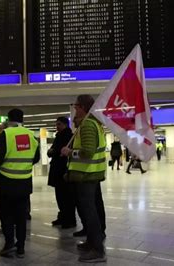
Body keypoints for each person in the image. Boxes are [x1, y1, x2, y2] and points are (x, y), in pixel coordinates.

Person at [61, 95, 107, 263]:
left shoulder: (87, 124)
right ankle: (91, 242)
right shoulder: (93, 123)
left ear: (83, 107)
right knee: (90, 212)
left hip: (87, 175)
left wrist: (69, 152)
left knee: (90, 213)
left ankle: (97, 250)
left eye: (76, 105)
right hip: (89, 174)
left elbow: (88, 151)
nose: (74, 108)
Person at [0, 108, 40, 258]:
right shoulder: (31, 135)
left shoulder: (6, 134)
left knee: (6, 213)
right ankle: (21, 247)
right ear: (22, 119)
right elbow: (36, 158)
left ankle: (9, 244)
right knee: (21, 216)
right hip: (25, 181)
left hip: (7, 181)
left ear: (8, 119)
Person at [48, 117, 76, 229]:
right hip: (57, 169)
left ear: (65, 124)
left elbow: (57, 150)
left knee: (66, 197)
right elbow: (52, 151)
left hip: (63, 170)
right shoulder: (59, 136)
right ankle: (62, 216)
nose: (57, 127)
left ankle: (69, 219)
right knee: (60, 196)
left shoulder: (69, 136)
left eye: (59, 124)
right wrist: (53, 151)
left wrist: (54, 151)